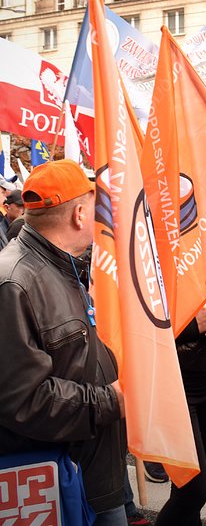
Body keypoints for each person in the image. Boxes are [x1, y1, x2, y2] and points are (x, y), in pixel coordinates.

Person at [0, 159, 127, 524]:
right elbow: (22, 398)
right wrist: (111, 400)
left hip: (90, 469)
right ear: (78, 215)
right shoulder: (14, 282)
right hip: (62, 479)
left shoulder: (66, 265)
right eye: (95, 206)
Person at [154, 268, 206, 525]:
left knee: (193, 483)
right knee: (194, 490)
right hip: (174, 384)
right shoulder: (156, 264)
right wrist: (191, 326)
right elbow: (142, 324)